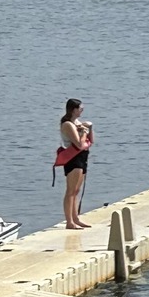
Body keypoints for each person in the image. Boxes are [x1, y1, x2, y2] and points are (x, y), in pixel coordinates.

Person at [57, 98, 92, 230]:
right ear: (73, 110)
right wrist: (83, 133)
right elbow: (79, 144)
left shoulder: (77, 123)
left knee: (76, 190)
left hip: (82, 157)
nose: (82, 110)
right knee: (70, 190)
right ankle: (69, 221)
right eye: (80, 108)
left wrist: (89, 129)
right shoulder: (67, 124)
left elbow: (89, 141)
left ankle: (76, 218)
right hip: (73, 158)